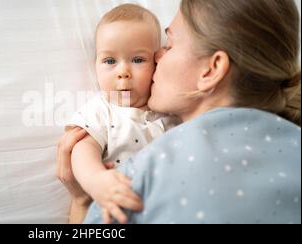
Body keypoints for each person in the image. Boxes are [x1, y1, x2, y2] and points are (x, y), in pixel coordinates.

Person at [57, 0, 301, 224]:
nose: (158, 56)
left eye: (169, 45)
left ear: (211, 70)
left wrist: (82, 202)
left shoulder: (148, 174)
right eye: (110, 61)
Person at [64, 4, 178, 224]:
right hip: (115, 210)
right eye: (109, 61)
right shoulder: (101, 110)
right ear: (95, 64)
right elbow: (82, 149)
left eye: (137, 60)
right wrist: (96, 180)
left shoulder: (169, 111)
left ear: (157, 61)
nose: (123, 72)